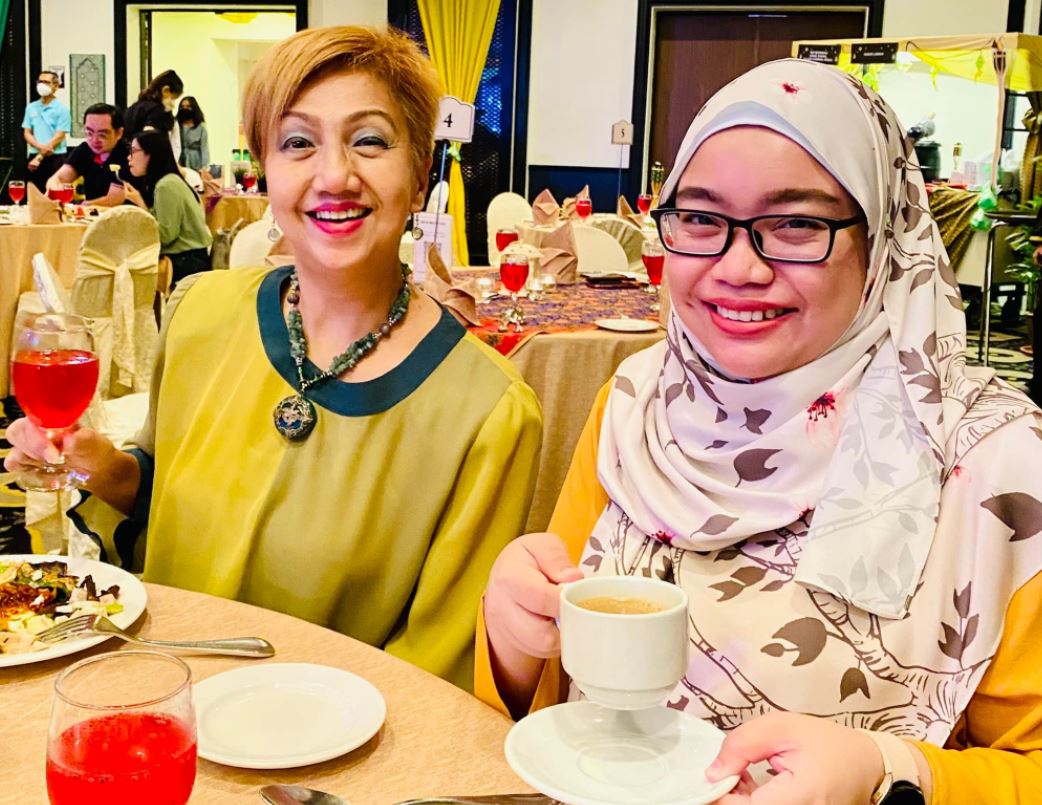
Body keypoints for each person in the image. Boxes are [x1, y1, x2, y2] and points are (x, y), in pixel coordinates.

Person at [480, 58, 1042, 802]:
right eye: (701, 219)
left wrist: (888, 774)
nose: (737, 267)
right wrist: (513, 642)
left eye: (797, 224)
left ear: (884, 241)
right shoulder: (639, 404)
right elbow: (556, 708)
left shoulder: (999, 463)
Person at [6, 26, 541, 693]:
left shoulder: (488, 413)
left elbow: (439, 669)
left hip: (336, 747)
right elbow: (156, 504)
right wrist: (100, 464)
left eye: (370, 141)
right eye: (297, 143)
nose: (335, 175)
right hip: (157, 702)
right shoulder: (199, 313)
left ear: (418, 175)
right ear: (265, 169)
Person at [124, 129, 212, 288]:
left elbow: (165, 236)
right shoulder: (170, 181)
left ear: (151, 154)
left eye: (134, 151)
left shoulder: (166, 185)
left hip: (186, 263)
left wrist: (139, 206)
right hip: (192, 259)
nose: (129, 157)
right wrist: (139, 202)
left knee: (126, 272)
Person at [48, 103, 134, 206]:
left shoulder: (129, 155)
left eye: (102, 135)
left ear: (119, 133)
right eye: (89, 133)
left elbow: (114, 200)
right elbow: (58, 178)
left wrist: (81, 206)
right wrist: (55, 190)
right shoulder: (84, 150)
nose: (94, 140)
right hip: (92, 213)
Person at [21, 70, 71, 192]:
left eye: (46, 82)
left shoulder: (62, 109)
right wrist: (39, 148)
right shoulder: (31, 107)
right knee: (33, 193)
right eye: (40, 81)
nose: (42, 85)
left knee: (54, 193)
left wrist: (40, 156)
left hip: (55, 157)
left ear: (55, 86)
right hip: (34, 155)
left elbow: (59, 136)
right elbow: (27, 132)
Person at [124, 69, 184, 162]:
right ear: (165, 90)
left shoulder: (133, 108)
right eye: (173, 98)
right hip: (146, 163)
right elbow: (150, 140)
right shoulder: (158, 111)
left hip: (128, 160)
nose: (173, 104)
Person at [176, 96, 209, 171]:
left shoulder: (201, 127)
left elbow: (204, 149)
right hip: (180, 163)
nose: (184, 109)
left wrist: (204, 168)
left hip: (196, 163)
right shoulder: (176, 125)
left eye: (188, 106)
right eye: (182, 107)